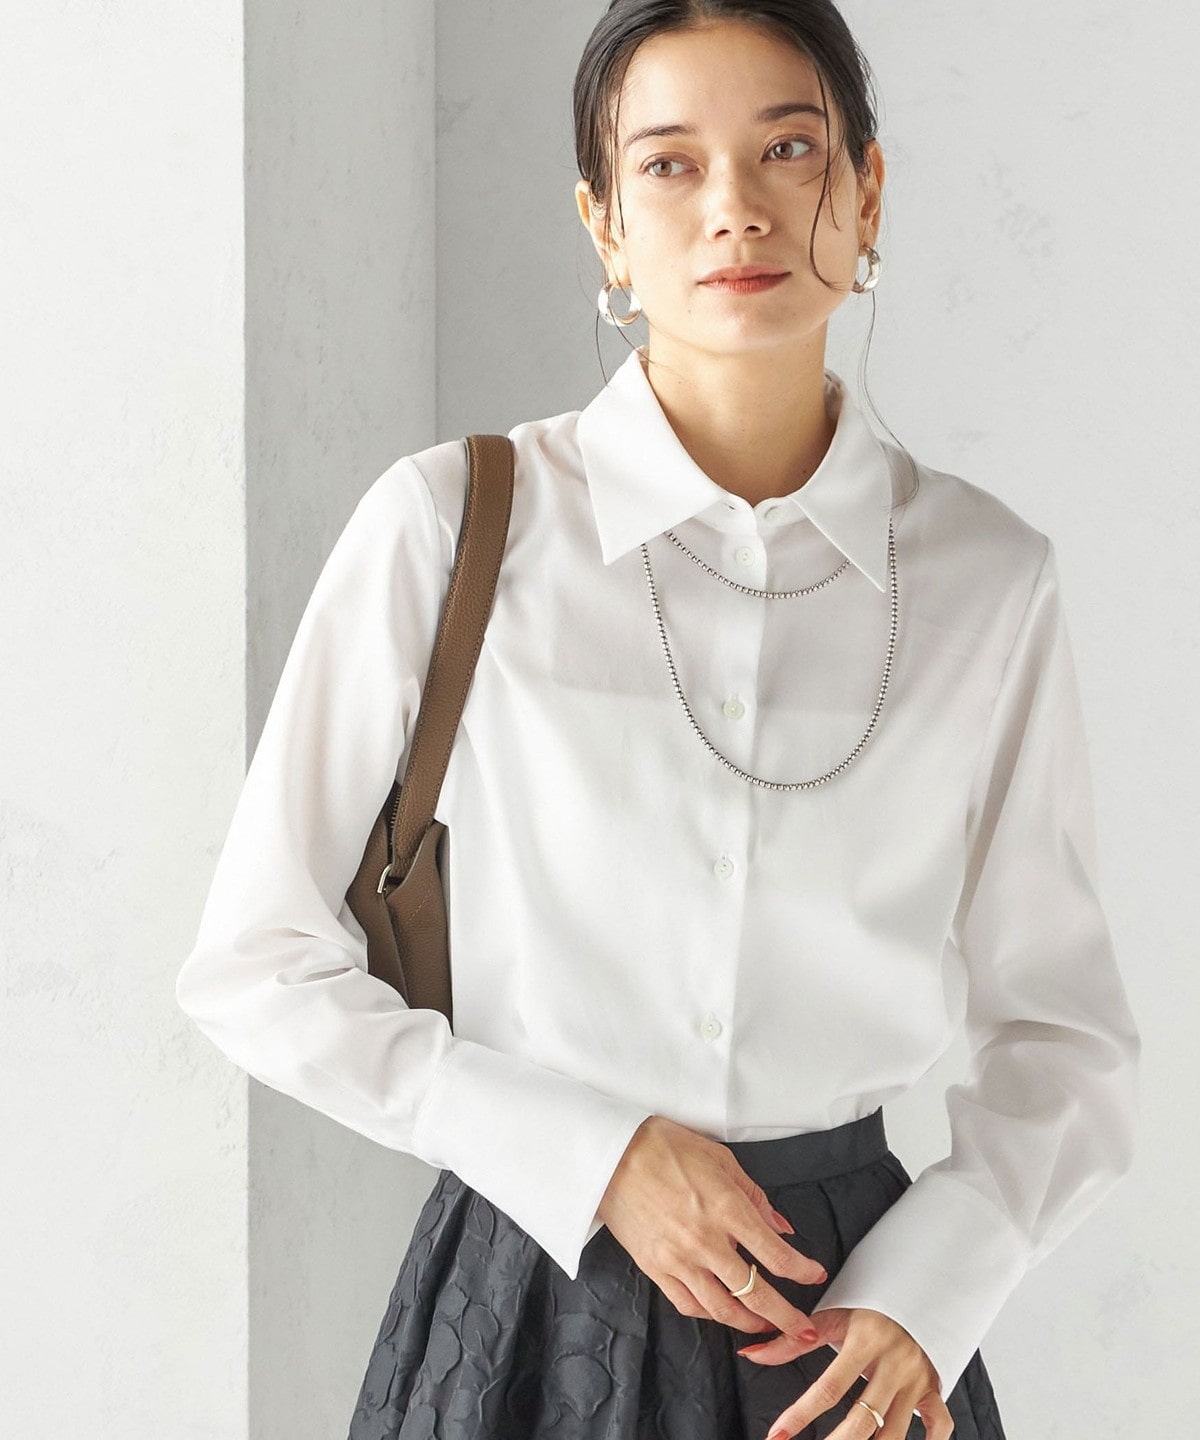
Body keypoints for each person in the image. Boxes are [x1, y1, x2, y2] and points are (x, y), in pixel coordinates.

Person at [174, 3, 1141, 1438]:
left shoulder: (988, 580)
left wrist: (937, 1290)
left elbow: (1067, 1040)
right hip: (530, 1305)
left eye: (789, 149)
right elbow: (254, 966)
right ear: (606, 226)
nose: (735, 207)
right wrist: (595, 1155)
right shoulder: (451, 527)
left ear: (868, 193)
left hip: (850, 1334)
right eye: (670, 164)